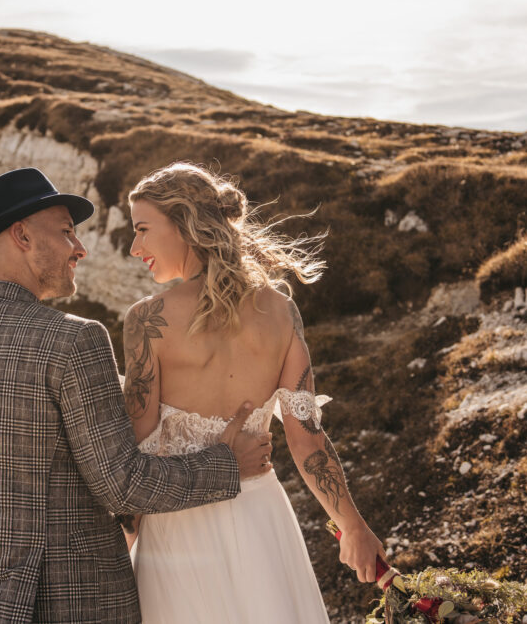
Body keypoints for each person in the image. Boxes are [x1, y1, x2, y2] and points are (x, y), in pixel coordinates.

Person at [0, 167, 272, 624]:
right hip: (77, 606)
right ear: (22, 236)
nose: (79, 248)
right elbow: (123, 484)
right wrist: (227, 464)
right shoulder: (75, 341)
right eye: (66, 232)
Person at [121, 163, 385, 623]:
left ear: (184, 223)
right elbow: (308, 441)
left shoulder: (148, 321)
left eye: (142, 229)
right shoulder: (282, 312)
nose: (134, 247)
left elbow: (135, 451)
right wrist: (354, 526)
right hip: (261, 518)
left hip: (177, 531)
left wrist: (121, 548)